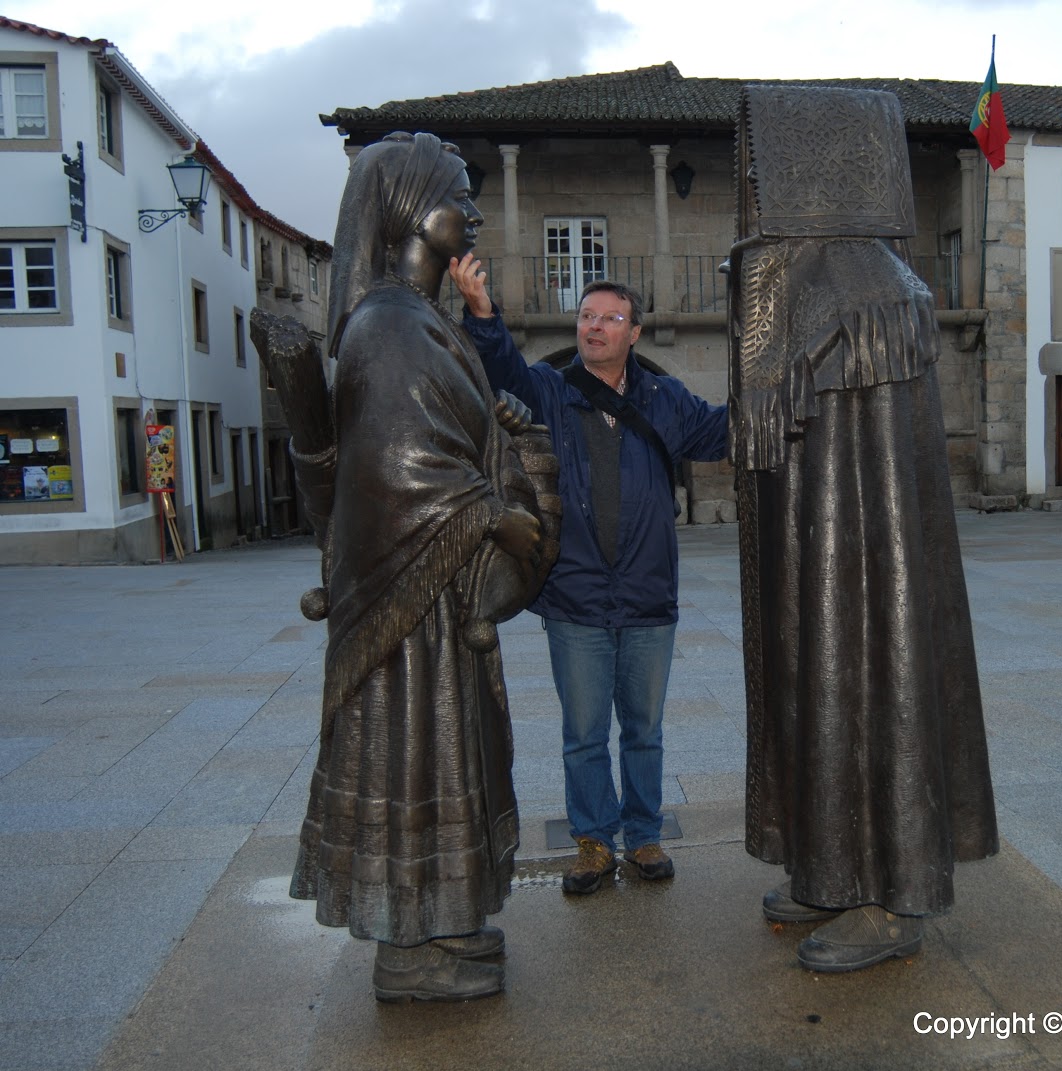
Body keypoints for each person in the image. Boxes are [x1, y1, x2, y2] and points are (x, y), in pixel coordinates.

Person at [730, 86, 999, 973]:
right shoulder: (806, 285)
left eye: (765, 173)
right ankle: (831, 868)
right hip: (815, 562)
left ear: (815, 177)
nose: (752, 194)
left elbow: (878, 481)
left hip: (862, 578)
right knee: (817, 682)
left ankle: (888, 893)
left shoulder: (870, 295)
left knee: (872, 683)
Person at [286, 131, 551, 1003]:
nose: (473, 211)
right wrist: (493, 511)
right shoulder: (391, 325)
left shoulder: (421, 321)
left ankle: (441, 920)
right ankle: (409, 943)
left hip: (435, 590)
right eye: (457, 193)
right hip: (410, 596)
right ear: (408, 207)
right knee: (415, 753)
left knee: (441, 752)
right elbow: (399, 468)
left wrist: (499, 429)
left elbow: (441, 435)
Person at [450, 258, 729, 895]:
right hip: (575, 597)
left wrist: (771, 387)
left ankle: (645, 834)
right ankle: (594, 842)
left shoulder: (665, 399)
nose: (595, 327)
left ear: (635, 332)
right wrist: (483, 314)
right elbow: (504, 373)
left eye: (611, 318)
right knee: (583, 733)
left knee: (644, 731)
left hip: (648, 596)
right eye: (587, 317)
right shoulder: (552, 391)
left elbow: (721, 431)